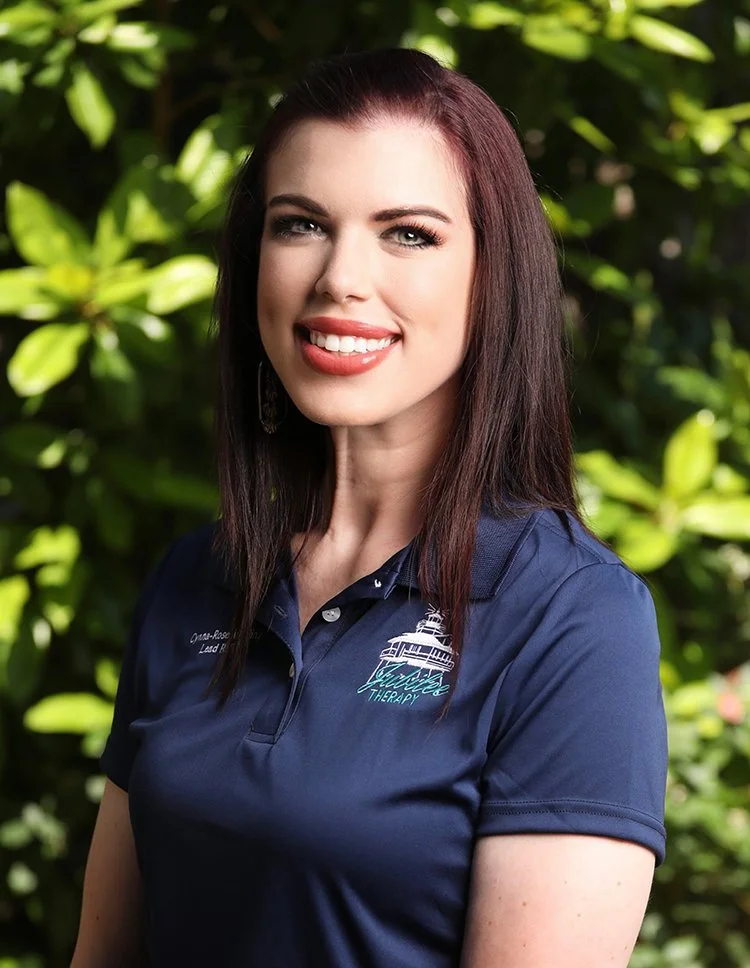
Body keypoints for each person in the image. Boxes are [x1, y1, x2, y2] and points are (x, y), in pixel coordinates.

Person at [71, 47, 668, 968]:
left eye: (410, 234)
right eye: (300, 223)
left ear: (491, 277)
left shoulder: (574, 618)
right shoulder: (200, 577)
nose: (340, 277)